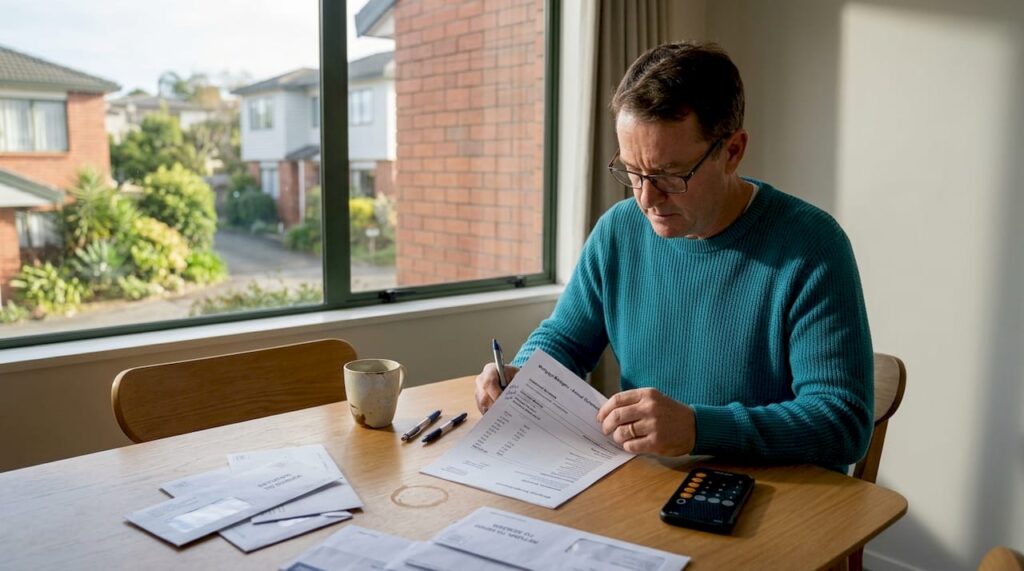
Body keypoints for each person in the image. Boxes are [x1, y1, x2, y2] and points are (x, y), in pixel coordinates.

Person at [474, 41, 874, 470]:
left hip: (774, 505)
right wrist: (522, 376)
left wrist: (699, 428)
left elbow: (843, 423)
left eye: (669, 175)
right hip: (650, 489)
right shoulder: (619, 231)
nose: (646, 198)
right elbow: (566, 341)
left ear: (732, 152)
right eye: (632, 171)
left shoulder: (810, 246)